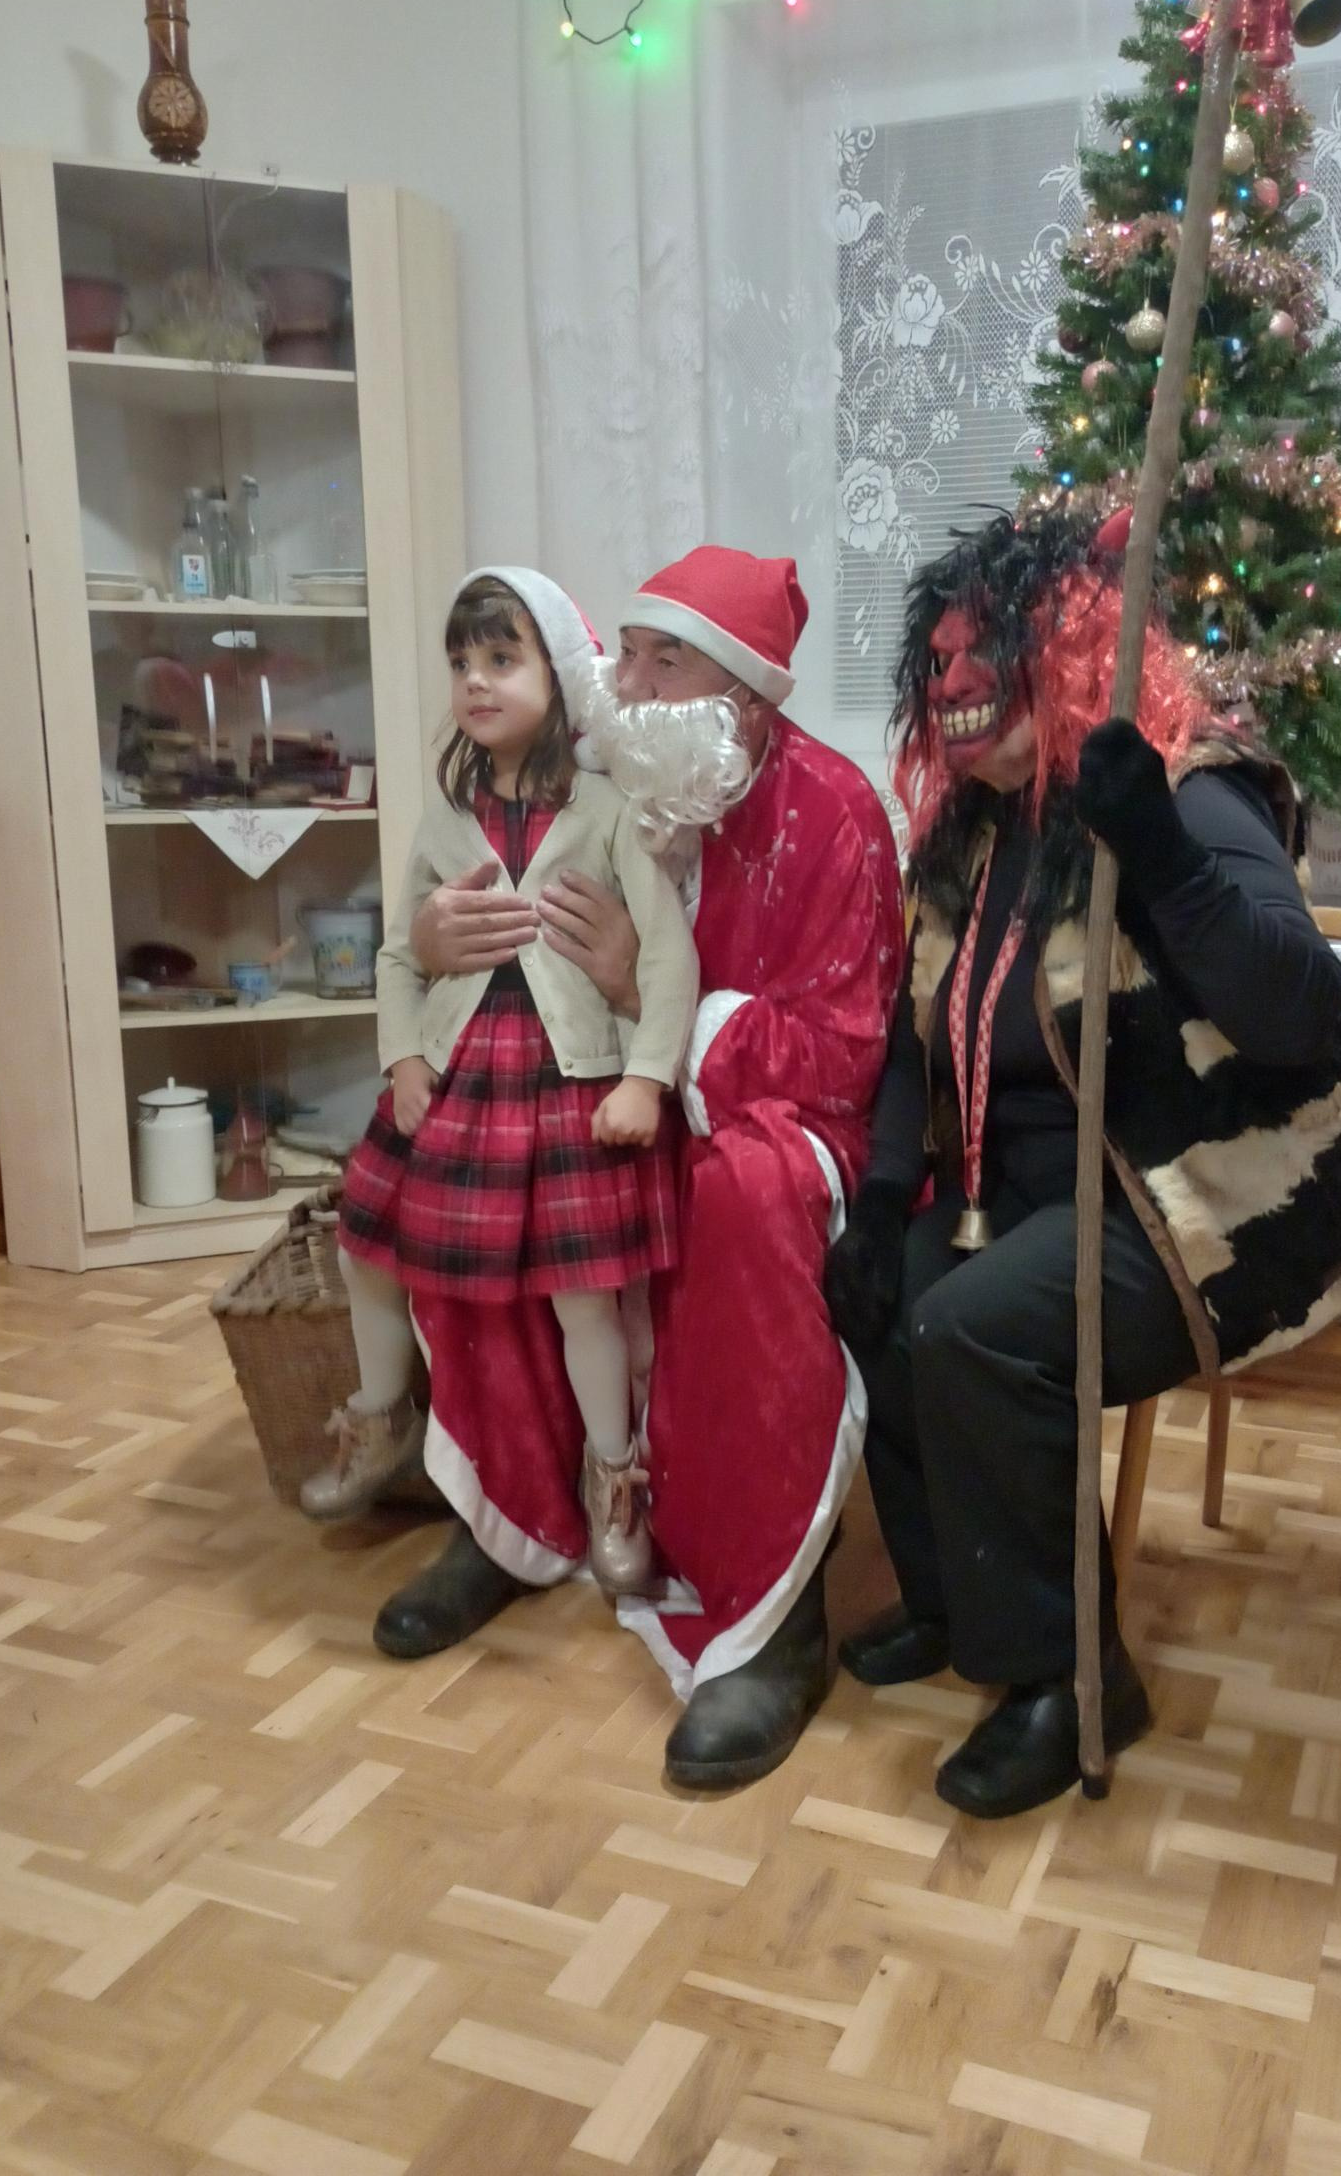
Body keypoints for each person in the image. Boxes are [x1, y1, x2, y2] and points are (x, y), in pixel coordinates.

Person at [823, 508, 1341, 1820]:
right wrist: (878, 1200)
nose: (951, 681)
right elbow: (916, 1044)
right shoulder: (970, 837)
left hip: (1211, 1195)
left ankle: (1070, 1683)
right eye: (936, 662)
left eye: (981, 651)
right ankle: (954, 1602)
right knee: (892, 1298)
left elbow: (1293, 1007)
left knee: (975, 1329)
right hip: (1037, 1196)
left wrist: (1157, 849)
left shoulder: (1183, 788)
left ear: (1064, 649)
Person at [374, 546, 906, 1789]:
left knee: (738, 1199)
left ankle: (769, 1613)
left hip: (767, 1115)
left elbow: (843, 1057)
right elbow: (454, 922)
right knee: (473, 1149)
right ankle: (511, 1515)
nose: (626, 680)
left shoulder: (832, 813)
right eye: (626, 651)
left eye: (666, 660)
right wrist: (435, 941)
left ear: (744, 695)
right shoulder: (583, 773)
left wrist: (647, 998)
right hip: (594, 1085)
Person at [303, 568, 698, 1599]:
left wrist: (646, 1079)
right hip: (463, 1078)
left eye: (501, 658)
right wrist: (403, 1056)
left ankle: (612, 1471)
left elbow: (667, 955)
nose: (475, 681)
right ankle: (381, 1410)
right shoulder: (446, 816)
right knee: (364, 1237)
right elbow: (401, 951)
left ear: (557, 674)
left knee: (583, 1297)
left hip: (571, 1085)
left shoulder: (608, 810)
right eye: (460, 662)